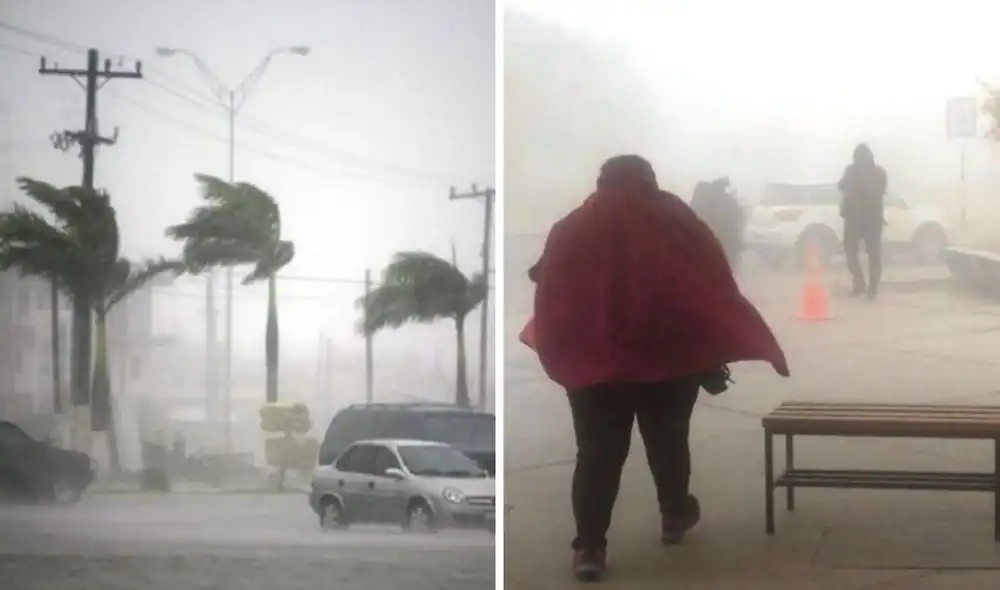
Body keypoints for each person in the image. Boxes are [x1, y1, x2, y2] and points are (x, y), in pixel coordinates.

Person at [525, 155, 789, 582]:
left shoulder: (573, 226)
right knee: (668, 442)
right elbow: (711, 280)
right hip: (668, 359)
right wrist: (709, 347)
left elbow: (549, 283)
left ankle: (590, 547)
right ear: (649, 180)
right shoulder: (674, 218)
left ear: (601, 181)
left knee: (597, 454)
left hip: (595, 365)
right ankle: (674, 515)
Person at [837, 144, 887, 299]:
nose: (859, 160)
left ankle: (872, 288)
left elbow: (876, 191)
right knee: (850, 253)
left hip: (871, 219)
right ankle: (859, 283)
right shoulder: (851, 171)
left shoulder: (878, 173)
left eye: (862, 157)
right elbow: (841, 186)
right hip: (853, 219)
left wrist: (859, 178)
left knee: (873, 254)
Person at [689, 177, 744, 269]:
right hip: (719, 234)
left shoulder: (726, 199)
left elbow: (736, 215)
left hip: (718, 234)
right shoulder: (724, 199)